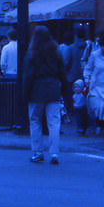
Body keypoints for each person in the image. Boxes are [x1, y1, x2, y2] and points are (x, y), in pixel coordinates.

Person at [23, 26, 70, 164]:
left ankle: (37, 152)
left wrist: (25, 93)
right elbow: (62, 72)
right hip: (53, 89)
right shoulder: (56, 52)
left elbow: (28, 75)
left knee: (35, 120)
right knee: (54, 122)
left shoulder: (32, 53)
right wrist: (65, 90)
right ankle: (54, 153)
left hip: (36, 90)